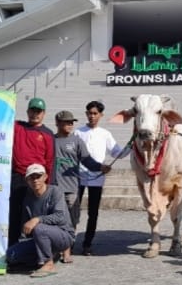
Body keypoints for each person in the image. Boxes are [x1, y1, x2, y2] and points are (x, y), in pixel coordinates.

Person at [54, 110, 111, 263]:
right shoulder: (50, 140)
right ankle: (56, 249)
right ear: (57, 123)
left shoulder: (77, 141)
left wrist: (100, 167)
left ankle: (68, 249)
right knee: (55, 220)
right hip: (54, 189)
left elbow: (87, 161)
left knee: (71, 221)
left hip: (72, 189)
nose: (70, 125)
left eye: (71, 122)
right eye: (66, 122)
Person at [75, 100, 129, 256]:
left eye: (95, 113)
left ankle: (87, 244)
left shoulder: (105, 134)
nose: (92, 116)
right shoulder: (78, 133)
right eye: (89, 113)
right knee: (73, 211)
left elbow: (117, 153)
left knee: (93, 213)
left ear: (101, 115)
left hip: (97, 178)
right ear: (86, 114)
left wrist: (132, 144)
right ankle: (68, 242)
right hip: (78, 177)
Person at [6, 164, 74, 278]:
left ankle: (48, 263)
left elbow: (60, 217)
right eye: (31, 177)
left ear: (45, 177)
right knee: (11, 255)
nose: (35, 180)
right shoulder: (28, 198)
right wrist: (22, 242)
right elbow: (25, 225)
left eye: (38, 176)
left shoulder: (55, 192)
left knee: (39, 228)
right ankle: (48, 255)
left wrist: (37, 219)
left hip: (63, 235)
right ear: (26, 180)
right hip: (39, 238)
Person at [9, 97, 55, 246]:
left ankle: (35, 250)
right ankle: (13, 249)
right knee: (15, 214)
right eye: (32, 110)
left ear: (44, 113)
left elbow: (50, 161)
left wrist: (47, 185)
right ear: (27, 111)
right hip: (18, 177)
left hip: (37, 180)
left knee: (34, 215)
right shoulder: (17, 127)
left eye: (38, 111)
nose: (35, 114)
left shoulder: (47, 134)